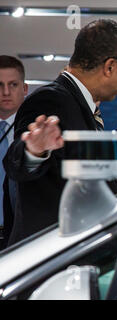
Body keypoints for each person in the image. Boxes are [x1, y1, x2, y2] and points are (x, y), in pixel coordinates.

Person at [4, 19, 117, 245]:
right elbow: (17, 164)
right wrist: (34, 150)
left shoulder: (85, 106)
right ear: (110, 67)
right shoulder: (50, 100)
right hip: (53, 256)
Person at [0, 56, 28, 249]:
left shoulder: (33, 134)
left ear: (24, 89)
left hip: (20, 236)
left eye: (13, 84)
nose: (6, 92)